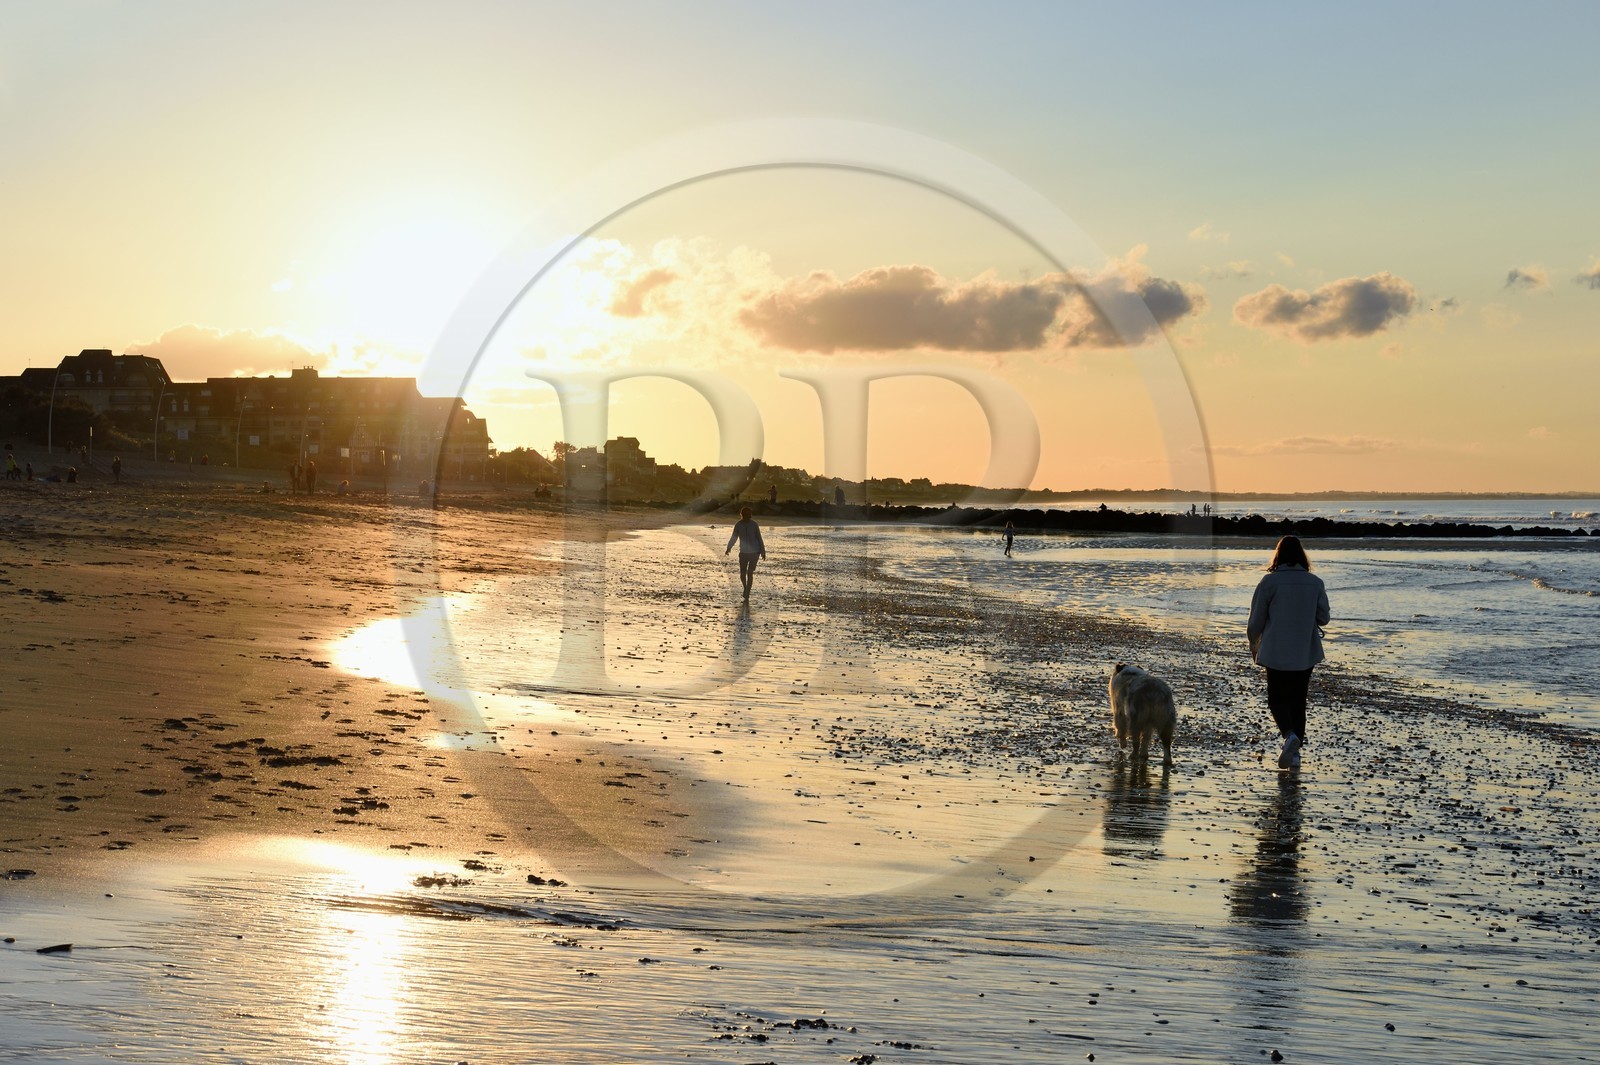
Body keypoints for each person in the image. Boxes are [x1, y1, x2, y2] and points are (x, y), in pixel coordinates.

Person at [1246, 534, 1331, 770]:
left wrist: (1253, 643)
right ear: (1302, 557)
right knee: (1298, 700)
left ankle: (1289, 736)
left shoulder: (1268, 583)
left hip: (1275, 650)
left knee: (1276, 699)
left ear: (1278, 556)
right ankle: (1295, 755)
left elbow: (1256, 621)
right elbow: (1324, 618)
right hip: (1305, 650)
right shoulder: (1315, 583)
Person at [724, 506, 767, 600]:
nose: (747, 515)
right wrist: (729, 548)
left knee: (750, 572)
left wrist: (763, 551)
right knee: (743, 573)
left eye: (748, 514)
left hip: (755, 552)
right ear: (742, 514)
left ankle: (748, 591)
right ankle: (745, 588)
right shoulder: (738, 525)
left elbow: (759, 538)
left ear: (750, 515)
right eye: (745, 514)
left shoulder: (754, 524)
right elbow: (734, 537)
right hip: (743, 552)